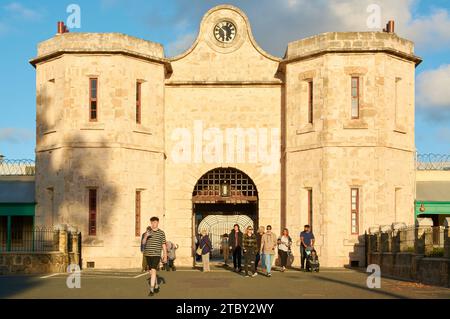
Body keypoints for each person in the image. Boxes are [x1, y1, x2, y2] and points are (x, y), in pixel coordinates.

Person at [142, 216, 167, 296]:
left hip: (156, 255)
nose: (153, 224)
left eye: (155, 222)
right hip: (148, 254)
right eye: (152, 222)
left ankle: (151, 289)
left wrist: (165, 255)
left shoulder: (161, 233)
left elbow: (163, 245)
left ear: (158, 223)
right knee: (151, 272)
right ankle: (156, 285)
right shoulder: (148, 232)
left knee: (153, 270)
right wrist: (146, 236)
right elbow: (143, 243)